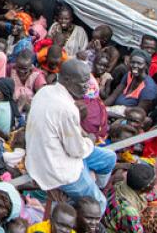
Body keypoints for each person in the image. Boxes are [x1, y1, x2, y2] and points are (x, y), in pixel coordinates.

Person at [25, 59, 117, 210]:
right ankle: (90, 205)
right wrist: (90, 140)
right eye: (83, 83)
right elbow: (76, 150)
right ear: (67, 80)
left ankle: (92, 191)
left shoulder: (45, 91)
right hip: (57, 169)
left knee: (109, 158)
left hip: (53, 153)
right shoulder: (66, 108)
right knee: (99, 204)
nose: (87, 87)